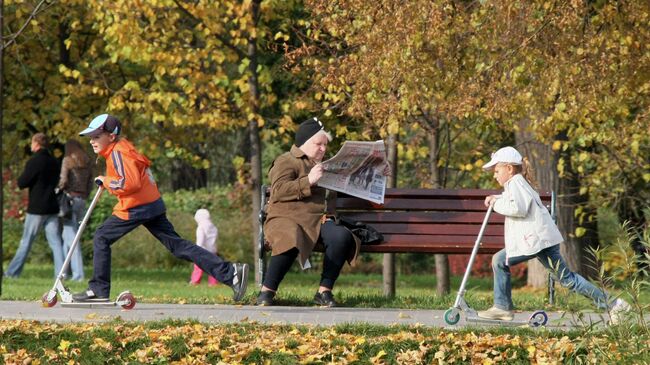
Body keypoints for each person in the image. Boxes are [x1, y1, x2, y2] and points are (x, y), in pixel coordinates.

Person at [72, 114, 248, 302]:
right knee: (178, 246)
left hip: (136, 207)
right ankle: (231, 273)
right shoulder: (123, 150)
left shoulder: (117, 152)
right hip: (151, 205)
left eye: (97, 136)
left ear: (111, 136)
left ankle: (98, 290)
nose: (92, 141)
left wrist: (105, 180)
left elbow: (129, 184)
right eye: (90, 137)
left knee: (101, 236)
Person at [477, 146, 631, 324]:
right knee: (564, 279)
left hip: (537, 241)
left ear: (509, 169)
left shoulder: (516, 183)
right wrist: (497, 199)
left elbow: (518, 208)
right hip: (536, 241)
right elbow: (514, 201)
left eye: (497, 171)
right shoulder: (516, 183)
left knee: (563, 278)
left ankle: (614, 305)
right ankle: (614, 304)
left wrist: (495, 204)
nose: (494, 175)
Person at [256, 117, 361, 307]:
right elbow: (278, 190)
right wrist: (308, 181)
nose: (323, 149)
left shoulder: (324, 164)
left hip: (318, 220)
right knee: (290, 236)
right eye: (318, 144)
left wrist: (378, 170)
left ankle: (324, 292)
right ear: (304, 143)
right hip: (286, 218)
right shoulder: (286, 160)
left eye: (325, 145)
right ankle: (267, 292)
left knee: (341, 236)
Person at [5, 133, 65, 278]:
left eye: (32, 142)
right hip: (52, 206)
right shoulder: (54, 161)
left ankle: (12, 273)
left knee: (26, 241)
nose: (31, 145)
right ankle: (61, 274)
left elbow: (22, 182)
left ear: (36, 144)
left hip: (37, 208)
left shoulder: (35, 161)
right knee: (56, 243)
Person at [57, 139, 94, 281]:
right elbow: (91, 182)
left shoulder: (67, 160)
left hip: (70, 200)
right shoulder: (87, 161)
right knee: (67, 236)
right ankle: (65, 272)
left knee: (72, 238)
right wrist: (86, 194)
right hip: (82, 200)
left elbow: (63, 180)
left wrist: (59, 190)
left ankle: (78, 274)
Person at [189, 209, 219, 286]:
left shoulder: (201, 227)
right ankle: (213, 283)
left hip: (203, 251)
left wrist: (196, 250)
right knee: (213, 268)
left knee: (198, 267)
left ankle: (195, 281)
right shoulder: (213, 227)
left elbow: (200, 240)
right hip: (212, 251)